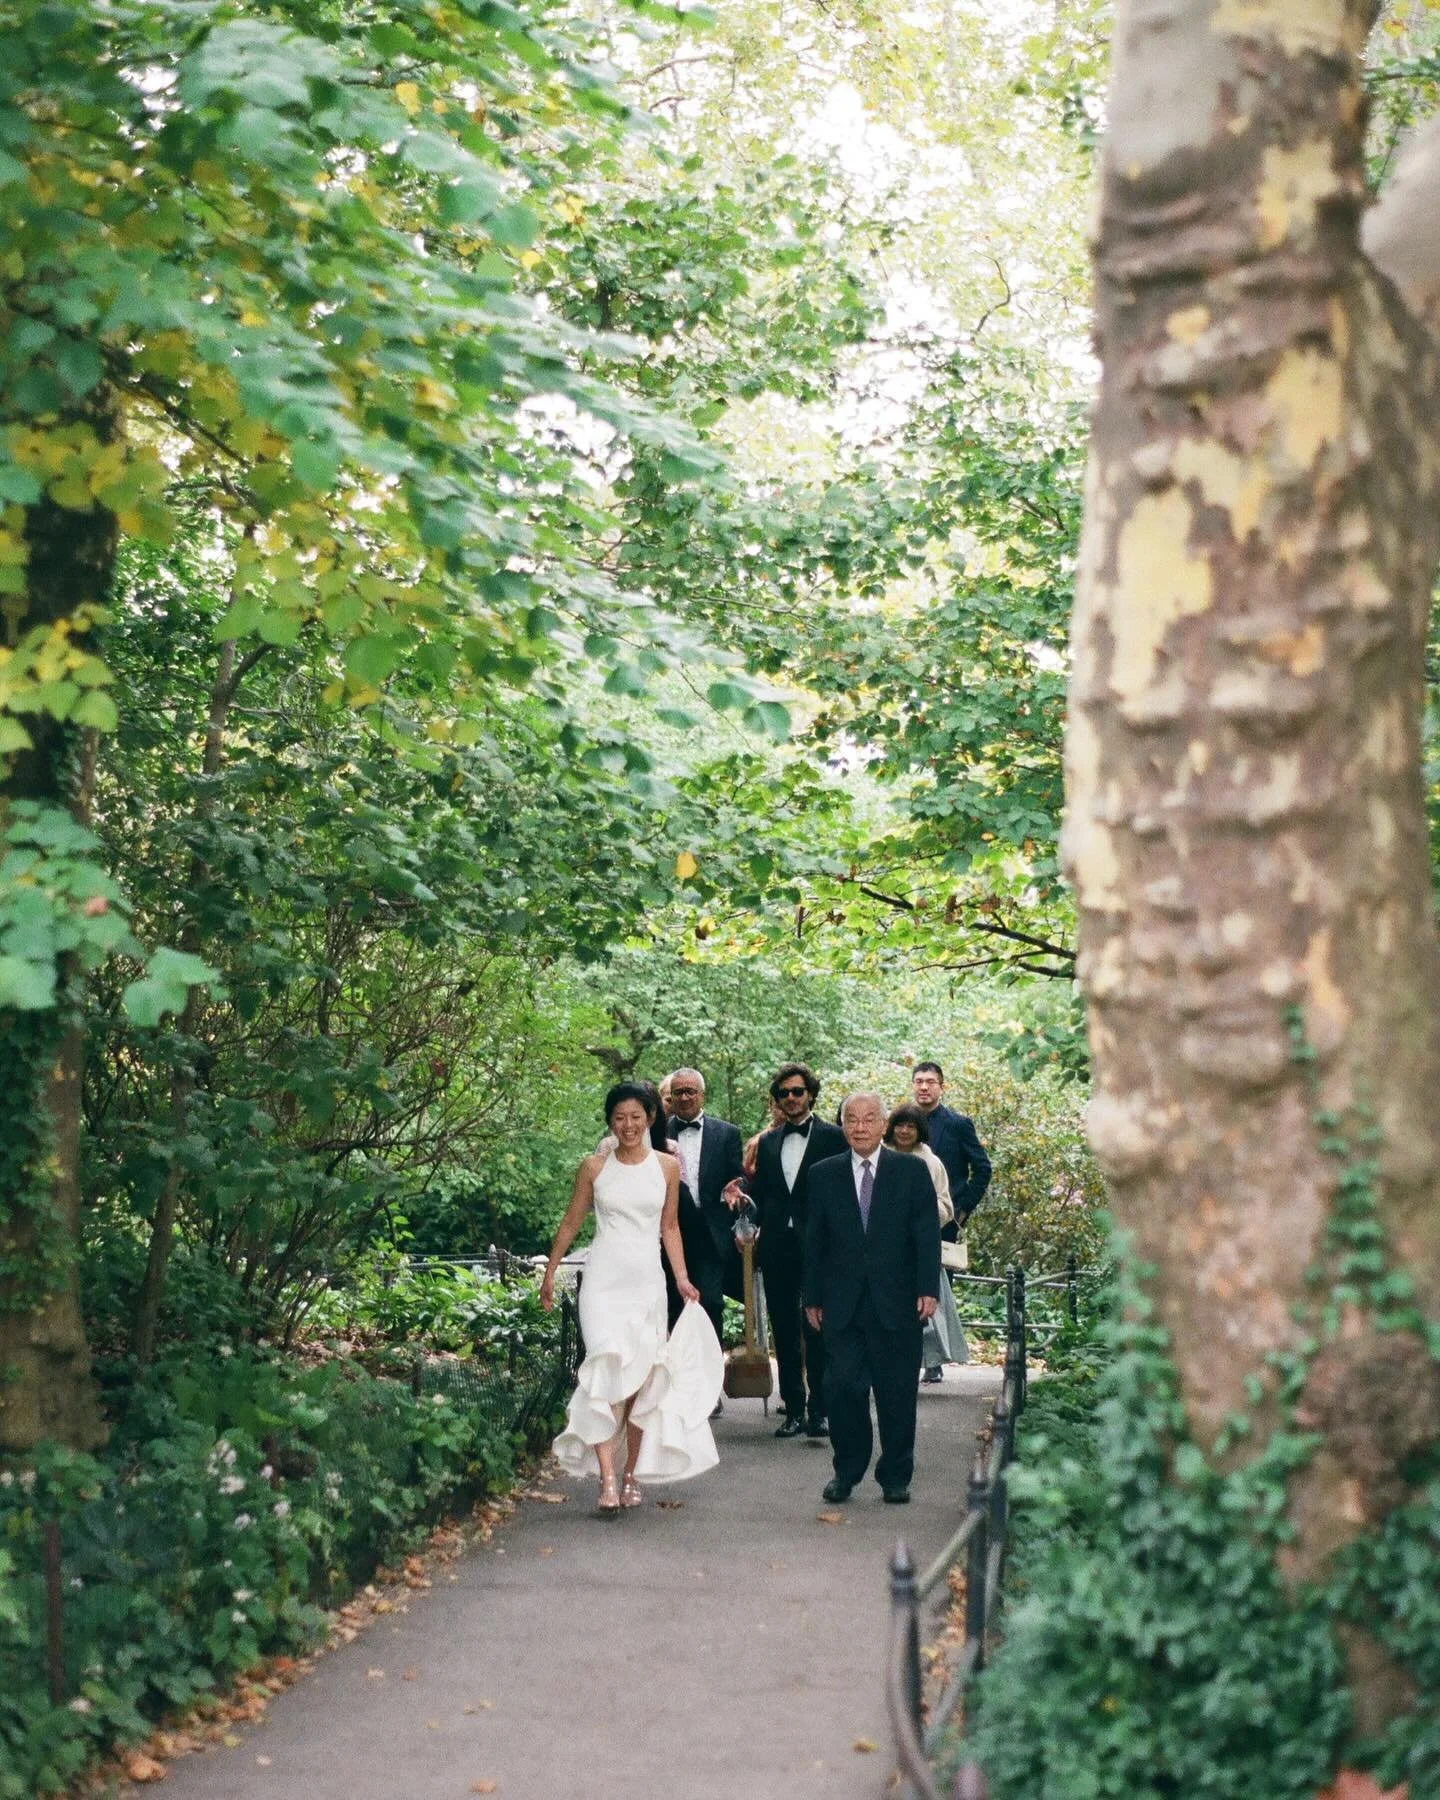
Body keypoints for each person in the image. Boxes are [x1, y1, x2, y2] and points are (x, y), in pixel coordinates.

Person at [541, 1083, 722, 1516]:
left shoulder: (666, 1168)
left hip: (646, 1284)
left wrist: (681, 1278)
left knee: (641, 1382)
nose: (628, 1125)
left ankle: (631, 1474)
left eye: (636, 1117)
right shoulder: (593, 1168)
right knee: (605, 1369)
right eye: (619, 1117)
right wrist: (550, 1272)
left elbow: (670, 1228)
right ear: (609, 1121)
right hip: (602, 1281)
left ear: (650, 1119)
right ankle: (606, 1479)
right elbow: (570, 1223)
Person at [804, 1092, 941, 1505]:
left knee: (897, 1392)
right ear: (842, 1125)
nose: (859, 1127)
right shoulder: (823, 1174)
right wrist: (812, 1295)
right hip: (841, 1303)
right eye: (851, 1119)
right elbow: (814, 1241)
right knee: (842, 1388)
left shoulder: (911, 1171)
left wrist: (927, 1288)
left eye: (868, 1119)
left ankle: (896, 1476)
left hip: (897, 1302)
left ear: (884, 1125)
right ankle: (846, 1471)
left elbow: (925, 1233)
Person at [725, 1063, 845, 1440]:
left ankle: (821, 1410)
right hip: (776, 1246)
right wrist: (741, 1196)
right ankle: (793, 1409)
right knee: (784, 1330)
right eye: (783, 1093)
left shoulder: (834, 1137)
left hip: (820, 1247)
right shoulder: (768, 1142)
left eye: (797, 1091)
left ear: (810, 1093)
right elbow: (763, 1194)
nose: (791, 1099)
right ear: (776, 1100)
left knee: (819, 1328)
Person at [885, 1103, 969, 1381]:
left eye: (911, 1126)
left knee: (920, 1309)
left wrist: (919, 1212)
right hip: (883, 1246)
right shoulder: (880, 1156)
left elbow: (945, 1205)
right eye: (900, 1125)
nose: (905, 1131)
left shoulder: (931, 1162)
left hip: (917, 1246)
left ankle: (923, 1364)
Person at [664, 1068, 744, 1349]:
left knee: (710, 1303)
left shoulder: (727, 1133)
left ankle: (710, 1381)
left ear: (702, 1095)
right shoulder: (658, 1133)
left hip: (712, 1235)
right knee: (673, 1307)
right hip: (670, 1233)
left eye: (690, 1091)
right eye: (678, 1092)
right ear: (670, 1097)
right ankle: (677, 1384)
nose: (684, 1097)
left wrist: (737, 1188)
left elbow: (739, 1176)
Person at [910, 1061, 991, 1238]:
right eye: (919, 1081)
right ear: (912, 1085)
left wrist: (962, 1210)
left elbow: (983, 1168)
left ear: (942, 1087)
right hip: (904, 1218)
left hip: (944, 1219)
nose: (924, 1087)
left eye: (930, 1082)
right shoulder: (901, 1124)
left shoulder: (958, 1124)